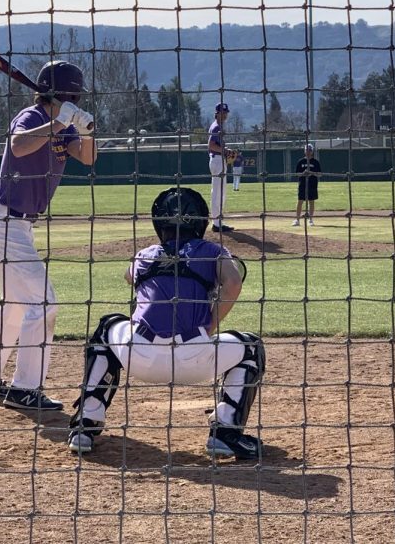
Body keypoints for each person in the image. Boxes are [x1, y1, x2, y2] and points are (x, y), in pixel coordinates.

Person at [67, 186, 265, 459]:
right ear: (201, 221)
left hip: (139, 357)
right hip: (194, 360)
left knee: (107, 326)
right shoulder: (212, 250)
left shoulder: (144, 254)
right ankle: (226, 432)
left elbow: (129, 277)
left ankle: (85, 425)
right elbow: (233, 282)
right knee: (251, 345)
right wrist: (210, 324)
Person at [0, 60, 96, 411]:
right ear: (66, 93)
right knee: (44, 301)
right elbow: (19, 146)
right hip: (5, 222)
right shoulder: (32, 117)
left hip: (18, 226)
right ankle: (26, 388)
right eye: (75, 96)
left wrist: (84, 129)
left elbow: (87, 157)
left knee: (17, 304)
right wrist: (59, 120)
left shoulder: (63, 124)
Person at [208, 102, 234, 232]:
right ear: (217, 113)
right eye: (223, 112)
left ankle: (218, 221)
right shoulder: (216, 127)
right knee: (217, 192)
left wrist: (226, 150)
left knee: (221, 192)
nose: (225, 115)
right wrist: (225, 151)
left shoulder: (218, 126)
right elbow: (211, 145)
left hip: (219, 160)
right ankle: (216, 223)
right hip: (217, 160)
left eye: (226, 112)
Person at [292, 143, 321, 227]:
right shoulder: (301, 161)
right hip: (302, 184)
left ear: (312, 151)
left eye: (310, 150)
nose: (308, 152)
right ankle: (297, 220)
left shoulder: (315, 162)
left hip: (312, 184)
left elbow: (319, 174)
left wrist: (311, 173)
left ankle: (310, 219)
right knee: (300, 201)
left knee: (311, 201)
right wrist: (303, 173)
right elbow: (297, 174)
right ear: (304, 151)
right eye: (306, 150)